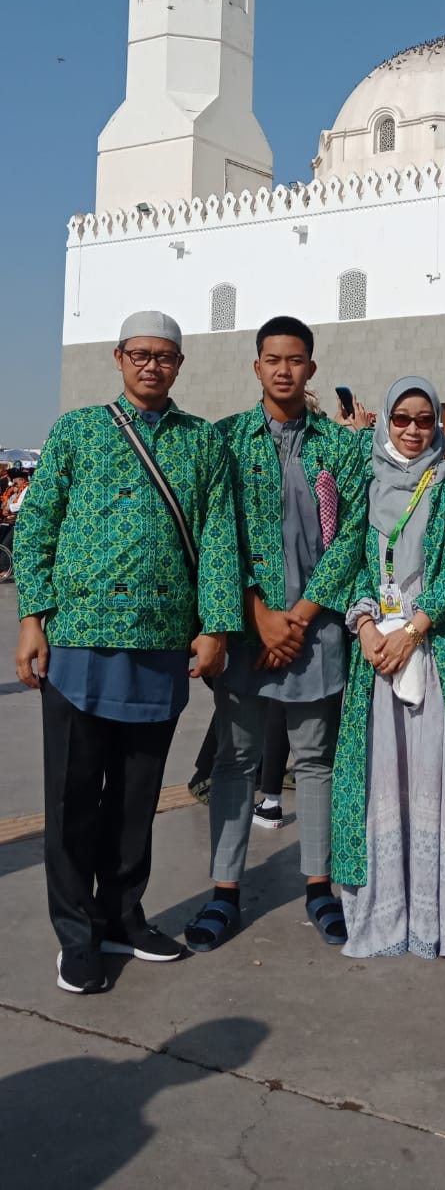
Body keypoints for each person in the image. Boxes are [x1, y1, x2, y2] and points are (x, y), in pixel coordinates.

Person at [13, 311, 241, 995]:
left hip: (161, 640)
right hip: (78, 636)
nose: (151, 365)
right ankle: (76, 934)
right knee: (73, 795)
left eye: (163, 356)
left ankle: (122, 914)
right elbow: (37, 525)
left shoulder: (202, 441)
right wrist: (31, 619)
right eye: (139, 354)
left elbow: (219, 536)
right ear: (118, 358)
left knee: (136, 797)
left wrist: (216, 627)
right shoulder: (77, 430)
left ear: (179, 364)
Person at [185, 316, 369, 952]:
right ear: (256, 366)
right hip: (246, 630)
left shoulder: (341, 446)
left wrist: (302, 614)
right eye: (273, 359)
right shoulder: (224, 441)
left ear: (311, 368)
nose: (284, 370)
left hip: (314, 632)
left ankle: (319, 886)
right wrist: (258, 612)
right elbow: (214, 535)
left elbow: (352, 534)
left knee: (315, 759)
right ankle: (224, 891)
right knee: (236, 760)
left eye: (295, 360)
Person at [332, 377, 445, 957]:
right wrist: (367, 627)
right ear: (385, 421)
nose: (413, 430)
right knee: (382, 774)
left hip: (433, 649)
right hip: (375, 652)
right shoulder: (366, 481)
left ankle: (435, 917)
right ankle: (386, 912)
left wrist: (415, 629)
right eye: (402, 419)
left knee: (431, 772)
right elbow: (351, 560)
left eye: (425, 420)